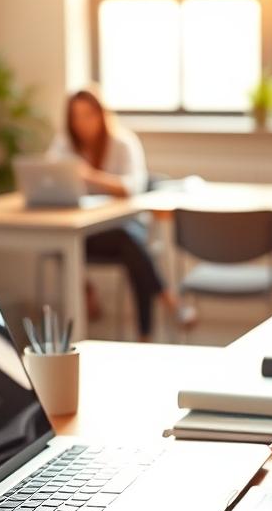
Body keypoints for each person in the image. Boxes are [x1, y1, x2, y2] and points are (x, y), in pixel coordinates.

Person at [48, 89, 189, 339]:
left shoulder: (123, 143)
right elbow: (49, 177)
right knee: (121, 247)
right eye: (76, 116)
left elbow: (133, 186)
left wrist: (90, 175)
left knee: (129, 242)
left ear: (101, 115)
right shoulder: (64, 144)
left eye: (88, 115)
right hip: (83, 232)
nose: (82, 122)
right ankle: (166, 300)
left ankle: (148, 325)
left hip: (123, 226)